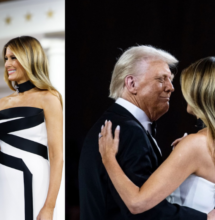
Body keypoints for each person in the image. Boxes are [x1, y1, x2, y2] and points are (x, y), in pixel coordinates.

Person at [78, 45, 215, 219]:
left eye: (171, 80)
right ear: (131, 84)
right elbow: (142, 212)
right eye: (161, 79)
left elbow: (139, 203)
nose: (171, 87)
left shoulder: (114, 125)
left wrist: (109, 159)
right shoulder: (124, 130)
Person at [0, 36, 63, 220]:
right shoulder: (1, 104)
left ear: (30, 59)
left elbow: (57, 156)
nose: (7, 64)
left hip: (33, 181)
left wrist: (49, 207)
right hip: (0, 187)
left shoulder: (49, 99)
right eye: (6, 58)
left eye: (13, 58)